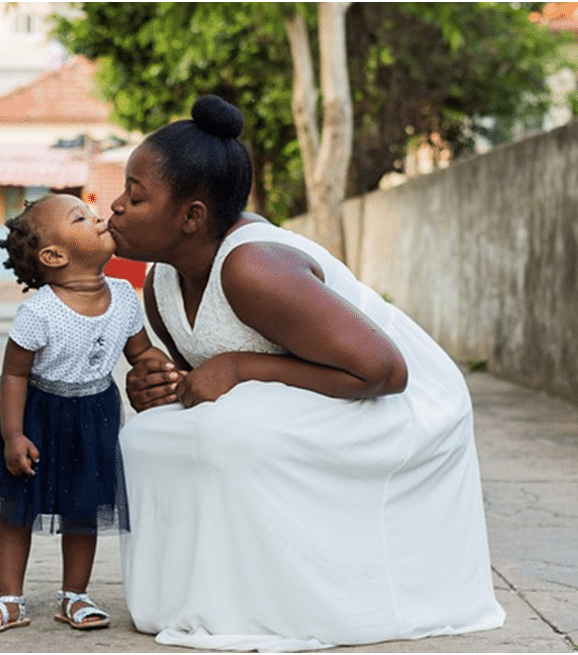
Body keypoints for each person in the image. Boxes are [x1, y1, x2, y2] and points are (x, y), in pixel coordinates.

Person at [110, 95, 506, 652]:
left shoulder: (252, 267)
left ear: (191, 217)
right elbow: (200, 382)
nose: (116, 206)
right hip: (321, 387)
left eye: (136, 195)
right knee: (148, 434)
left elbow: (385, 370)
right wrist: (160, 385)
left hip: (404, 405)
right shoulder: (159, 283)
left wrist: (241, 366)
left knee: (232, 433)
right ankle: (200, 599)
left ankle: (287, 603)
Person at [0, 193, 166, 635]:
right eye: (81, 218)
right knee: (17, 510)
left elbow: (140, 350)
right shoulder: (39, 311)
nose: (98, 217)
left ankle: (76, 595)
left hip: (95, 414)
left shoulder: (125, 296)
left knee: (82, 509)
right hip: (38, 415)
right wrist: (13, 435)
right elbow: (13, 375)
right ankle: (9, 599)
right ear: (54, 255)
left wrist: (161, 368)